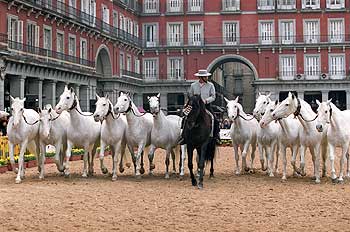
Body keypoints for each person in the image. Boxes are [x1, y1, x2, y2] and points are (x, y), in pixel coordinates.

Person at [178, 69, 220, 145]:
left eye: (207, 76)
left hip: (206, 106)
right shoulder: (193, 85)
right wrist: (187, 104)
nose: (207, 78)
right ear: (201, 77)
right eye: (205, 77)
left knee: (214, 119)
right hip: (194, 107)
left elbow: (213, 96)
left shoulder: (210, 85)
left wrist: (206, 101)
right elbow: (190, 95)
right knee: (185, 118)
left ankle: (216, 136)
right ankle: (183, 136)